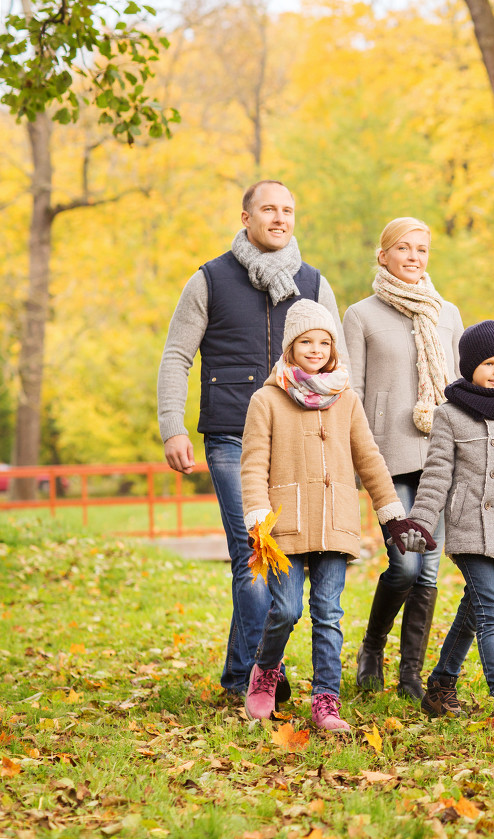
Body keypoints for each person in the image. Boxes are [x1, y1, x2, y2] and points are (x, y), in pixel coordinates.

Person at [157, 180, 347, 703]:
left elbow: (340, 368)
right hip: (232, 438)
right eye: (269, 209)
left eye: (288, 209)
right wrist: (172, 424)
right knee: (255, 556)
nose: (280, 217)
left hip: (299, 443)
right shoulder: (210, 280)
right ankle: (245, 679)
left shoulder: (314, 284)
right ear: (246, 218)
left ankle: (257, 667)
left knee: (286, 559)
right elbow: (177, 355)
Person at [238, 300, 432, 730]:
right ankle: (265, 671)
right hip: (284, 525)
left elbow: (370, 458)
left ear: (333, 348)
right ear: (290, 347)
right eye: (306, 341)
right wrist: (257, 514)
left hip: (335, 522)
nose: (315, 348)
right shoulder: (266, 399)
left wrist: (392, 515)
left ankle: (326, 699)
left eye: (324, 341)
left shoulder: (346, 399)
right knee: (286, 610)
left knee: (328, 611)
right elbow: (252, 463)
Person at [399, 320, 494, 727]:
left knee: (474, 609)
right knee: (490, 611)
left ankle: (440, 686)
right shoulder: (450, 415)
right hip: (471, 528)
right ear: (470, 368)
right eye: (488, 363)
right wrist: (421, 523)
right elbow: (435, 477)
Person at [343, 217, 464, 700]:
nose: (414, 257)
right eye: (403, 249)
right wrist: (357, 456)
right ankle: (372, 645)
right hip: (387, 459)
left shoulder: (448, 314)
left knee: (430, 571)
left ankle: (410, 675)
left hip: (439, 457)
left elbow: (460, 386)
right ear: (384, 255)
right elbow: (351, 393)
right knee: (407, 567)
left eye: (422, 250)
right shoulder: (361, 315)